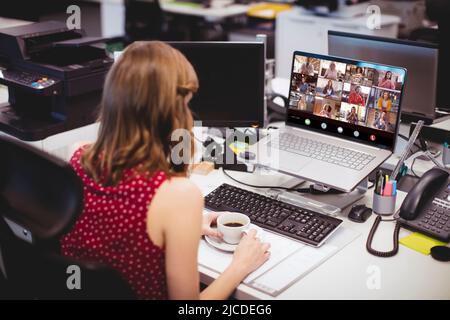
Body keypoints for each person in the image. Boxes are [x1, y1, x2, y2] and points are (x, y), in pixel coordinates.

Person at [60, 42, 270, 300]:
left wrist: (184, 226)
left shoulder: (78, 156)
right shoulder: (178, 194)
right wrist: (241, 265)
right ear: (171, 112)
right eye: (186, 104)